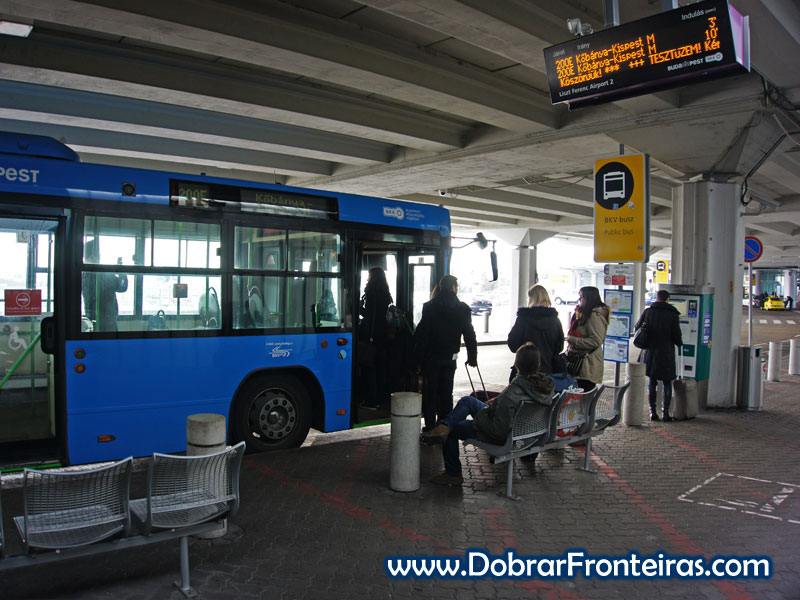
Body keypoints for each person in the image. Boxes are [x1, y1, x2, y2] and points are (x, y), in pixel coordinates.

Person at [423, 343, 554, 485]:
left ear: (517, 363)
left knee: (453, 429)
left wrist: (480, 418)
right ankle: (444, 425)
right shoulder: (542, 387)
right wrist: (498, 402)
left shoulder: (513, 392)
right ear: (538, 364)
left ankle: (453, 472)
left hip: (502, 433)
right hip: (524, 431)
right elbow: (516, 403)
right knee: (468, 401)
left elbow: (498, 430)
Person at [414, 274, 477, 430]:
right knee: (446, 394)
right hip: (450, 360)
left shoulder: (429, 307)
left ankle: (429, 428)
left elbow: (422, 336)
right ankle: (444, 427)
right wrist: (472, 357)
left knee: (431, 395)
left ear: (441, 287)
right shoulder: (462, 308)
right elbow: (469, 334)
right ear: (453, 287)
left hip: (431, 359)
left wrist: (417, 360)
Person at [635, 289, 683, 421]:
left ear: (657, 298)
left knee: (652, 381)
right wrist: (679, 343)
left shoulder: (648, 312)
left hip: (650, 352)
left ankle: (652, 412)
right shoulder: (673, 315)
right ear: (668, 299)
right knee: (667, 382)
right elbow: (676, 335)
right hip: (666, 353)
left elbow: (637, 328)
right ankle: (665, 413)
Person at [507, 284, 565, 374]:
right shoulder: (555, 321)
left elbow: (513, 344)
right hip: (548, 371)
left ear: (531, 298)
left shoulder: (523, 319)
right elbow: (559, 347)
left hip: (524, 372)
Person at [359, 267, 393, 410]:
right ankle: (380, 398)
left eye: (369, 276)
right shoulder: (386, 294)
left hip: (372, 337)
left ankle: (372, 400)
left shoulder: (371, 293)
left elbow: (370, 317)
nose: (367, 278)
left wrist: (359, 308)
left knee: (370, 369)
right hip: (384, 337)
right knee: (381, 369)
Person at [565, 286, 610, 391]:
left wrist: (573, 340)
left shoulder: (594, 316)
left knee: (585, 399)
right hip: (581, 363)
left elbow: (596, 341)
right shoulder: (584, 313)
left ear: (589, 298)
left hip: (588, 364)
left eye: (582, 297)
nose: (579, 300)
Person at [82, 239, 128, 332]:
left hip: (93, 316)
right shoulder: (102, 274)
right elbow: (122, 287)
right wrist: (122, 272)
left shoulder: (83, 274)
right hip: (106, 317)